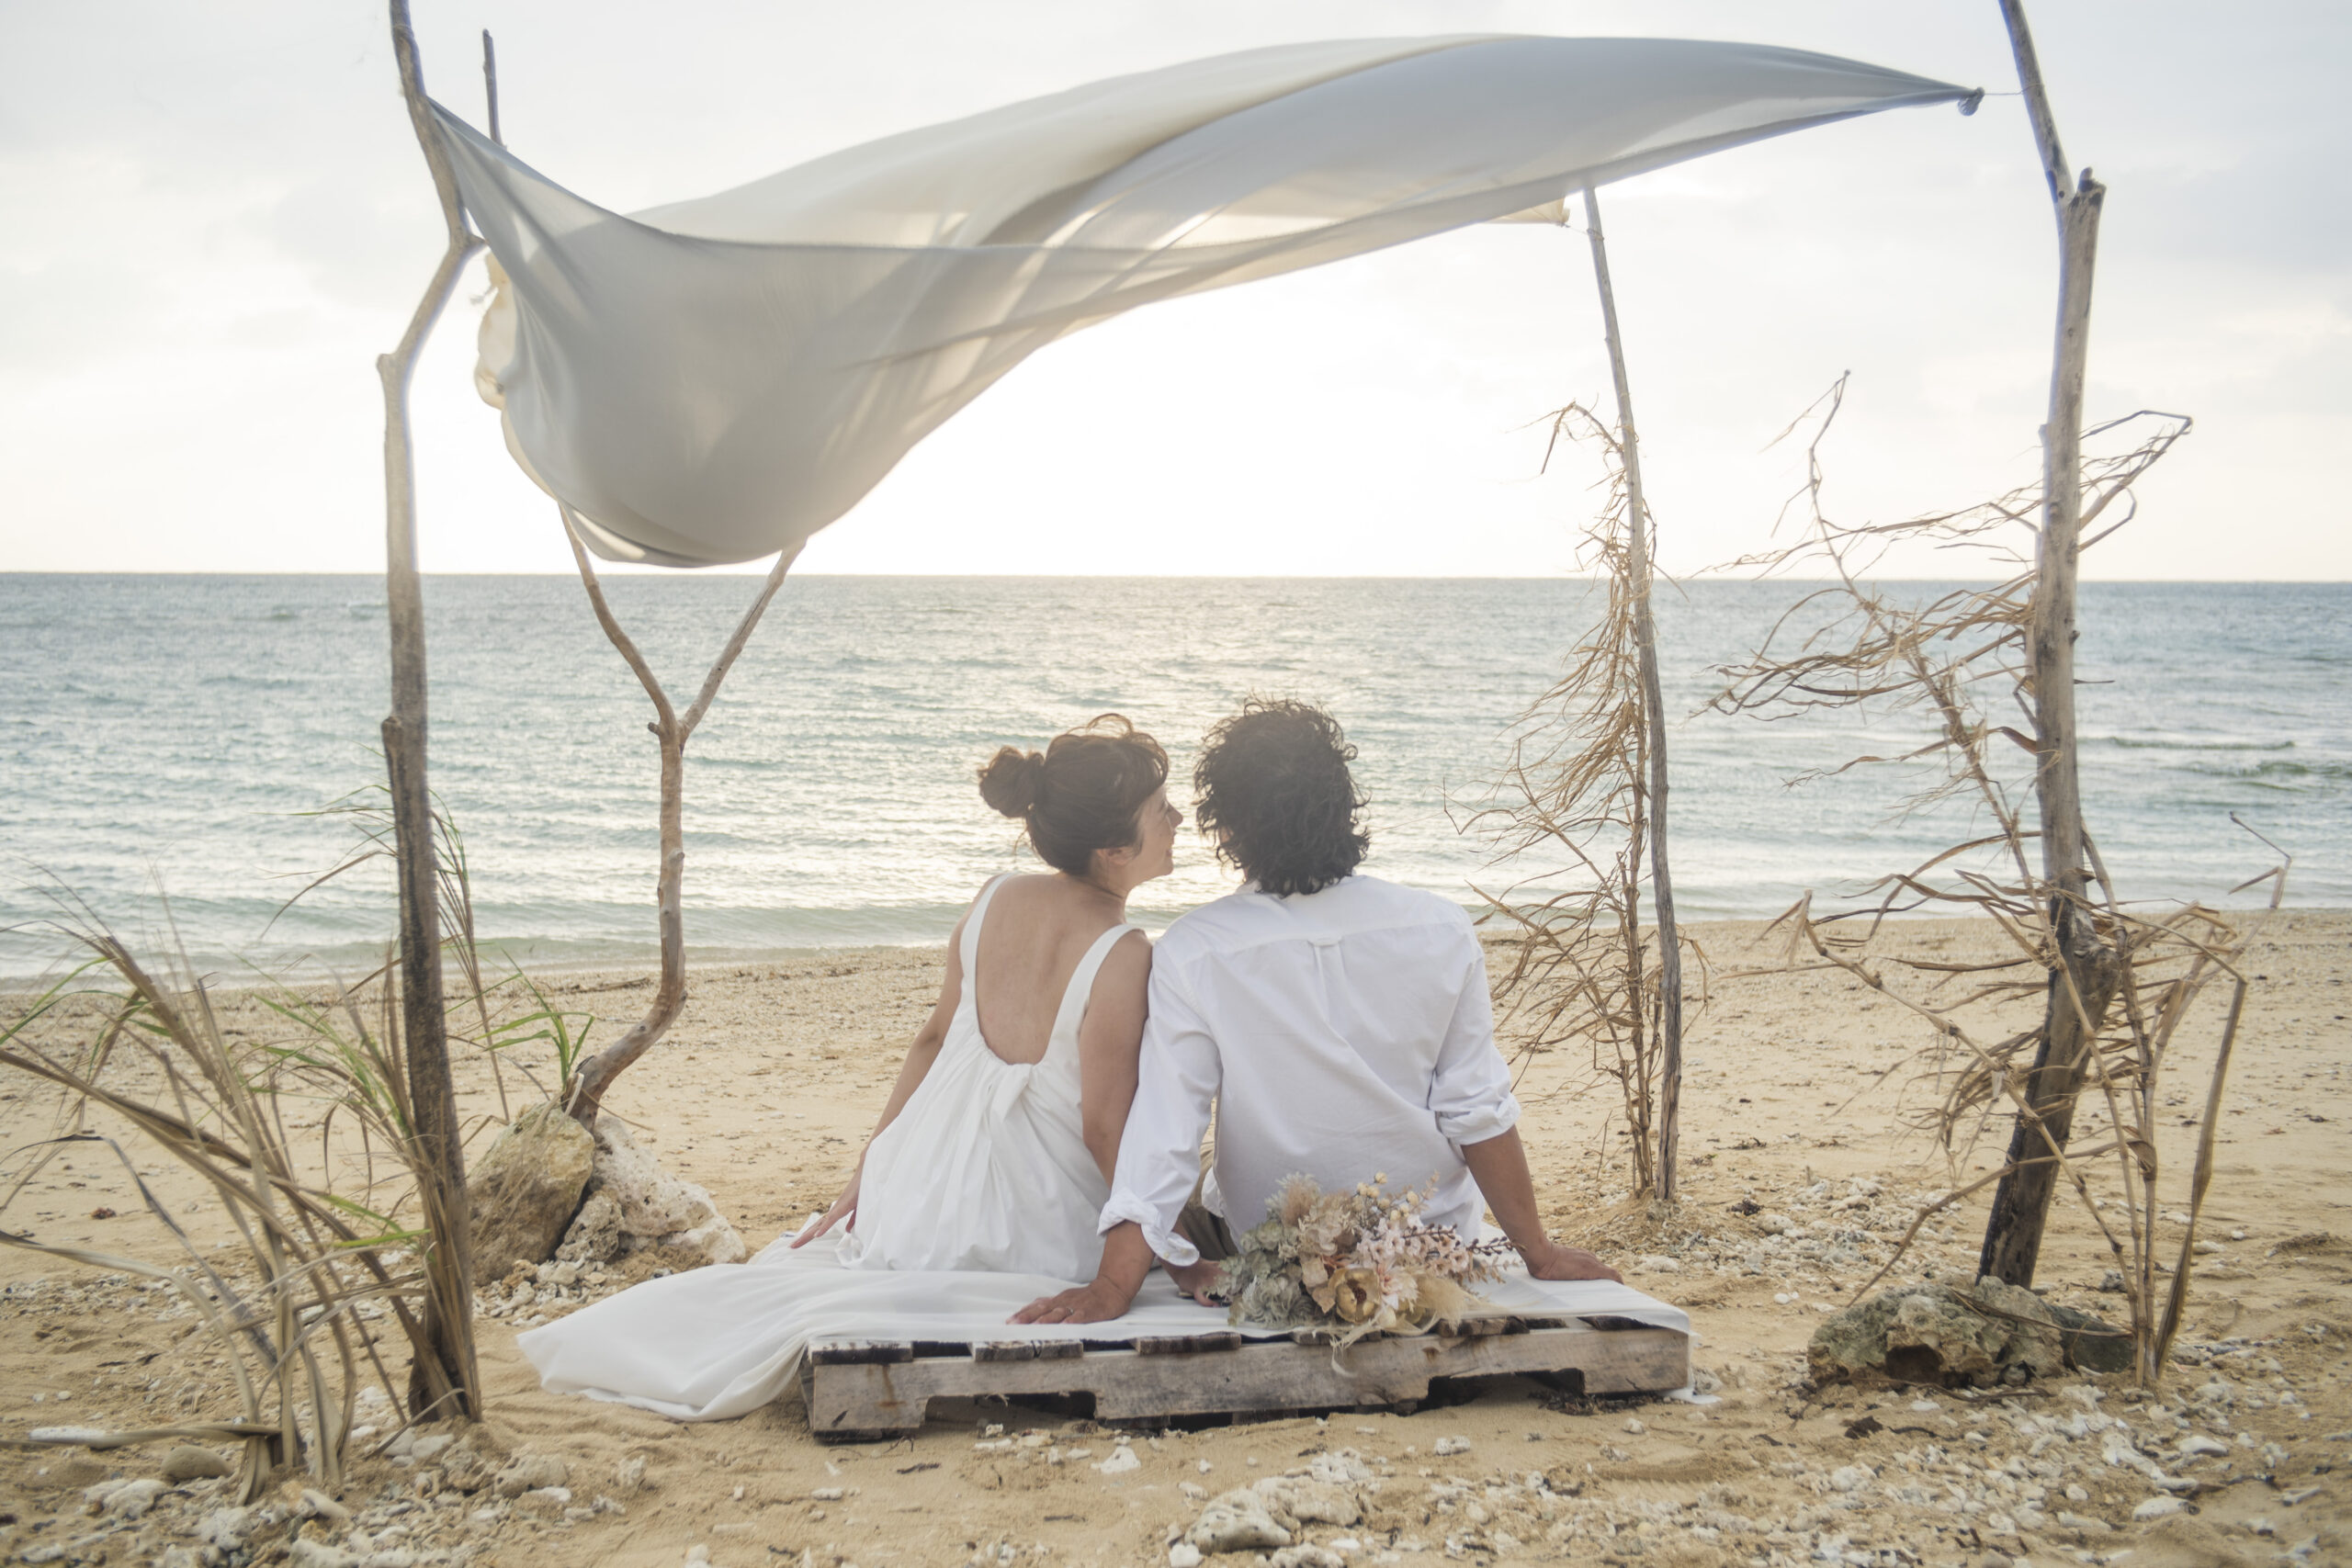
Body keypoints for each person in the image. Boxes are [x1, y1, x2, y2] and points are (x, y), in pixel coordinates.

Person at [517, 714, 1179, 1416]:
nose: (1176, 819)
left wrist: (876, 1164)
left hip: (919, 1194)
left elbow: (931, 1040)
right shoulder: (1124, 950)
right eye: (1159, 809)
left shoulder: (994, 897)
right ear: (1113, 848)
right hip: (1023, 1219)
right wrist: (1166, 1242)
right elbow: (1105, 1126)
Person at [1016, 698, 1618, 1325]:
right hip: (1431, 1244)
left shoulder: (1196, 950)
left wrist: (1113, 1285)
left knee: (1177, 1186)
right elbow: (1476, 1110)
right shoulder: (1440, 929)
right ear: (1344, 805)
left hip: (1280, 1253)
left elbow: (1168, 1128)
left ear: (1229, 829)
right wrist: (1537, 1252)